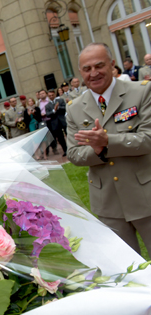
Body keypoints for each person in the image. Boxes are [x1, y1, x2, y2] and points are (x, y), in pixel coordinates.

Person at [67, 43, 151, 254]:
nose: (93, 73)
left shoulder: (141, 92)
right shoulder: (75, 108)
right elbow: (74, 154)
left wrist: (107, 142)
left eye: (99, 66)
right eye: (87, 69)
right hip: (108, 203)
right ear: (80, 72)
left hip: (145, 194)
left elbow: (148, 138)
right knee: (128, 271)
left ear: (112, 65)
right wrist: (97, 151)